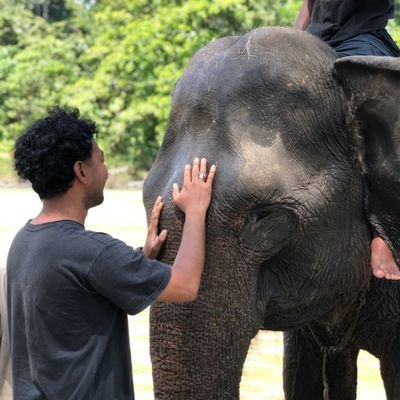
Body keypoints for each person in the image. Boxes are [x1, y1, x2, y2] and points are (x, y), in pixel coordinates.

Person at [7, 106, 217, 399]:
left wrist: (141, 258)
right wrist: (195, 211)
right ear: (81, 171)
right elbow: (185, 285)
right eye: (101, 161)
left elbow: (78, 296)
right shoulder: (91, 251)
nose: (105, 171)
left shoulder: (24, 241)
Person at [295, 0, 400, 280]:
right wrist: (291, 46)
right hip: (317, 43)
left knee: (384, 116)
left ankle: (383, 234)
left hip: (360, 39)